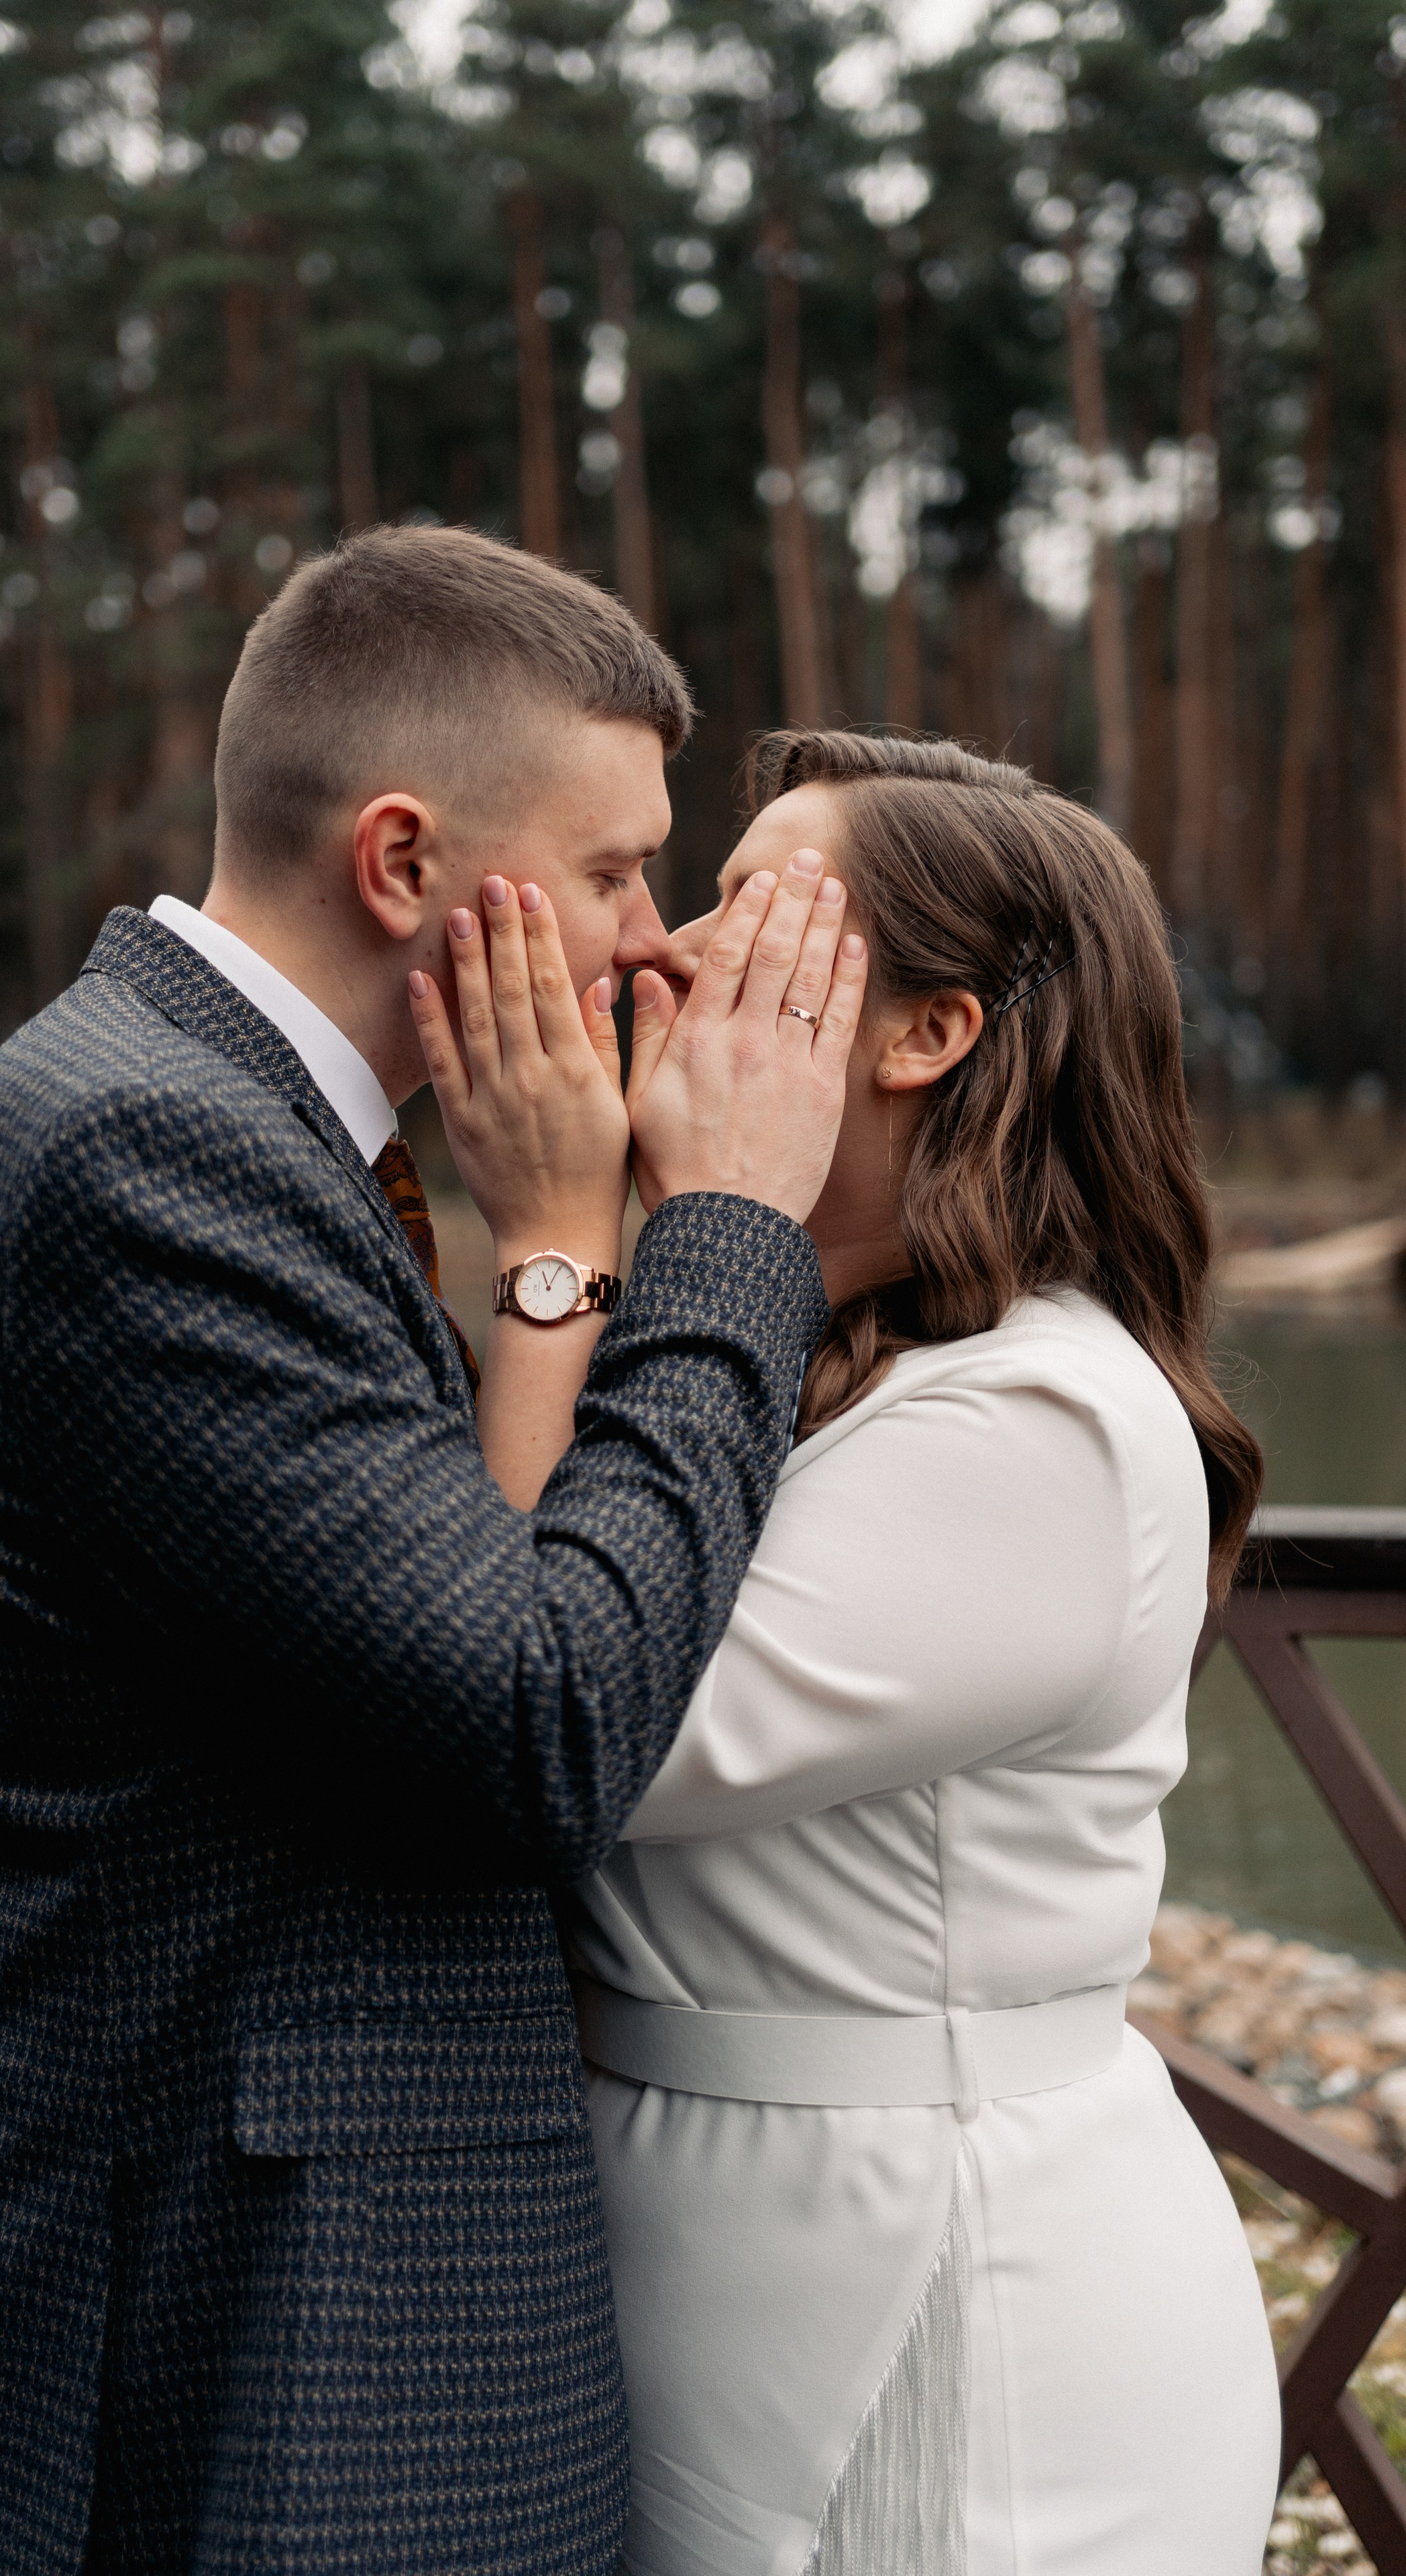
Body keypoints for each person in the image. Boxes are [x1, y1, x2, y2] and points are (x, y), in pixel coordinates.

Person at [0, 526, 869, 2576]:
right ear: (402, 864)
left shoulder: (229, 1123)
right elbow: (537, 1715)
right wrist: (733, 1224)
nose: (653, 945)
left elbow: (441, 1618)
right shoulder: (153, 1152)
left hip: (276, 2319)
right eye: (609, 872)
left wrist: (559, 1252)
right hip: (245, 2362)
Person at [440, 730, 1282, 2576]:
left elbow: (539, 1712)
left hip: (935, 2314)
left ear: (925, 1032)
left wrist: (558, 1243)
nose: (659, 951)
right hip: (730, 2250)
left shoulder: (1037, 1426)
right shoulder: (785, 1357)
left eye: (747, 913)